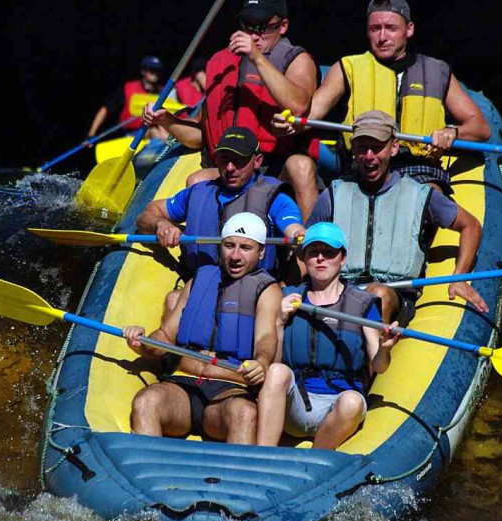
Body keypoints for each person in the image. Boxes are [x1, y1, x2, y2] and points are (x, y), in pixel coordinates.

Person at [273, 0, 491, 195]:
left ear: (409, 29)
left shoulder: (437, 71)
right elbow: (311, 114)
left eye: (391, 28)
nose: (382, 37)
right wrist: (290, 123)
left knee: (427, 197)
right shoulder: (347, 67)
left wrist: (451, 132)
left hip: (420, 169)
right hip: (364, 166)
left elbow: (481, 128)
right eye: (375, 29)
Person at [141, 0, 322, 219]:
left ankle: (308, 248)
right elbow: (200, 136)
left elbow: (299, 106)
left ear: (282, 26)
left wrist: (256, 58)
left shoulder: (297, 60)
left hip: (274, 168)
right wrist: (165, 120)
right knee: (196, 181)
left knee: (301, 166)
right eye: (247, 25)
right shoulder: (220, 63)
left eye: (262, 27)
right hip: (229, 168)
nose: (253, 35)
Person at [308, 110, 488, 324]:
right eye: (361, 148)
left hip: (395, 295)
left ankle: (373, 352)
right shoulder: (333, 194)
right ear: (354, 151)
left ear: (393, 148)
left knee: (377, 295)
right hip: (341, 292)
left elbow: (471, 226)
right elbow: (307, 246)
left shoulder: (420, 195)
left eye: (376, 148)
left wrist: (460, 278)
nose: (369, 156)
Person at [124, 213, 283, 444]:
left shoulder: (267, 290)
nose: (235, 256)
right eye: (229, 246)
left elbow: (266, 337)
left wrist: (262, 362)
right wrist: (144, 343)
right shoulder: (198, 280)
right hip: (181, 385)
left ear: (261, 252)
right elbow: (166, 335)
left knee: (245, 413)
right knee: (145, 401)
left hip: (228, 391)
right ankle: (145, 475)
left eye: (245, 248)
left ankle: (235, 478)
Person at [256, 222, 400, 449]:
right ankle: (260, 457)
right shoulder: (287, 298)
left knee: (352, 402)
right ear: (304, 258)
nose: (321, 258)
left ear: (342, 259)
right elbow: (272, 363)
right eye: (313, 253)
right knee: (276, 372)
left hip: (338, 404)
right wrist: (279, 322)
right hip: (295, 404)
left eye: (329, 253)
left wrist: (384, 348)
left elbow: (379, 366)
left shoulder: (362, 304)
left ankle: (315, 460)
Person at [136, 126, 306, 279]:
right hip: (201, 284)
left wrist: (299, 237)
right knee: (173, 300)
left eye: (239, 160)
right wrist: (161, 225)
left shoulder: (276, 198)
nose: (230, 168)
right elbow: (147, 215)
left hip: (253, 291)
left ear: (257, 161)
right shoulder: (198, 192)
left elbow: (294, 229)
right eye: (225, 159)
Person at [87, 55, 165, 139]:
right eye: (151, 70)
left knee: (161, 132)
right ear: (143, 71)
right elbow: (105, 110)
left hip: (158, 133)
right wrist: (92, 133)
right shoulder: (128, 88)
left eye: (157, 70)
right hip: (131, 134)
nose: (155, 73)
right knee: (154, 131)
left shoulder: (164, 91)